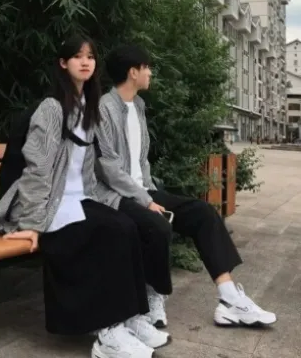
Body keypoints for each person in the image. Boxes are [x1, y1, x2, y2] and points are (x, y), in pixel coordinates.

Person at [0, 35, 170, 358]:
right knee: (110, 233)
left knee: (128, 227)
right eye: (77, 56)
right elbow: (37, 170)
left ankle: (130, 317)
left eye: (90, 57)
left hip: (77, 200)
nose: (85, 62)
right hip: (48, 204)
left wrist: (116, 202)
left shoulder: (88, 108)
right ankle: (107, 335)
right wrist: (32, 224)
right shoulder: (52, 109)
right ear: (62, 63)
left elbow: (91, 171)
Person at [95, 44, 277, 331]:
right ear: (133, 72)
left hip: (144, 190)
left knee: (202, 213)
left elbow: (141, 160)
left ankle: (229, 298)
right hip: (117, 196)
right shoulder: (104, 109)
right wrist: (145, 199)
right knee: (158, 225)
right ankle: (154, 295)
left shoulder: (137, 106)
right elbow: (109, 168)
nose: (150, 73)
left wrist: (149, 192)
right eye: (147, 67)